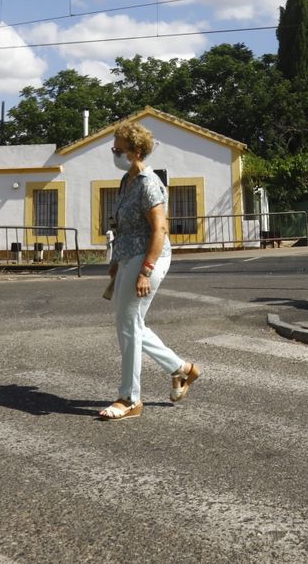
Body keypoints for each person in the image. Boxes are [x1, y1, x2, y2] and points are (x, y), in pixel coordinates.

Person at [98, 119, 200, 421]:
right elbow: (124, 229)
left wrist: (145, 270)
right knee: (132, 325)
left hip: (149, 257)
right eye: (114, 149)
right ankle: (183, 370)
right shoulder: (126, 181)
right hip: (129, 257)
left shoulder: (148, 183)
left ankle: (130, 399)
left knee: (127, 323)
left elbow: (159, 230)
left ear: (138, 151)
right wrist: (117, 263)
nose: (115, 154)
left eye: (121, 149)